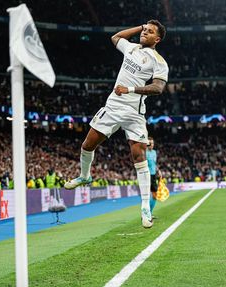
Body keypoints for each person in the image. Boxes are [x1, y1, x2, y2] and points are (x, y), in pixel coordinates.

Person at [65, 20, 169, 228]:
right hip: (112, 107)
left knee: (138, 156)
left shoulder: (159, 61)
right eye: (144, 30)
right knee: (87, 145)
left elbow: (157, 88)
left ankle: (145, 208)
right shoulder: (130, 47)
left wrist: (129, 90)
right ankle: (85, 176)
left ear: (157, 39)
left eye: (150, 32)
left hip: (134, 113)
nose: (145, 33)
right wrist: (139, 27)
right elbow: (115, 38)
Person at [146, 136, 162, 218]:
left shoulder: (154, 152)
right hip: (146, 175)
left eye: (153, 143)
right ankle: (146, 214)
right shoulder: (144, 153)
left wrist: (158, 170)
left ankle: (150, 213)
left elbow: (154, 164)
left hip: (153, 175)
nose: (152, 145)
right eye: (150, 143)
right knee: (146, 195)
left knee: (155, 195)